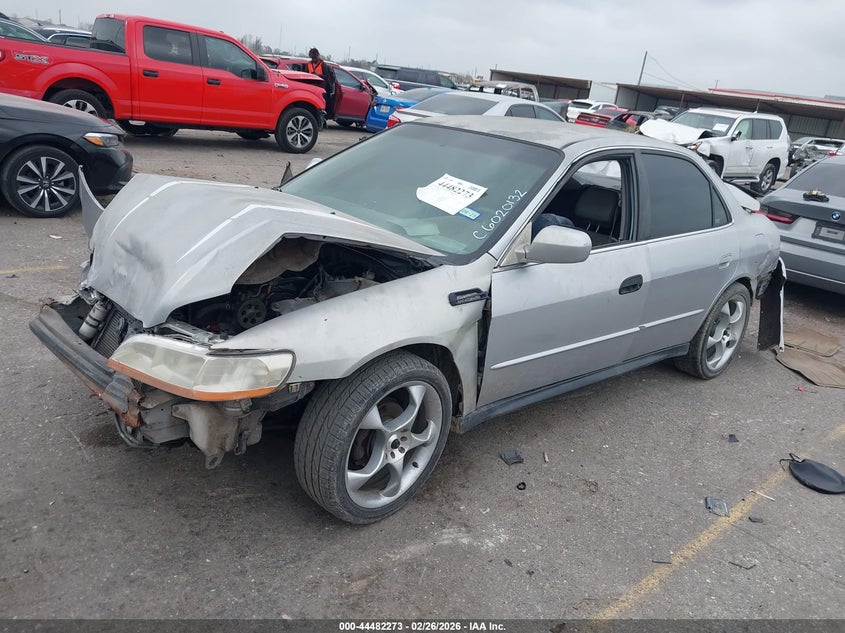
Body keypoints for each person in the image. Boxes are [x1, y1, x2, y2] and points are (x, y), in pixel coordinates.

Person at [307, 47, 337, 122]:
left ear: (317, 56)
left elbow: (327, 77)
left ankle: (322, 120)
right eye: (312, 58)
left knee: (321, 106)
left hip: (322, 88)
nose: (313, 60)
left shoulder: (323, 65)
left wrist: (317, 75)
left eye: (315, 58)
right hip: (311, 88)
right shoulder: (309, 64)